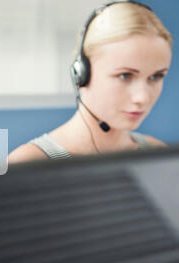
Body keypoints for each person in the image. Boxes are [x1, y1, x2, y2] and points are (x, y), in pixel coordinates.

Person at [9, 1, 172, 163]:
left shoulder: (157, 153)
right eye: (125, 75)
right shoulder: (29, 163)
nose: (142, 98)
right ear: (81, 73)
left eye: (156, 77)